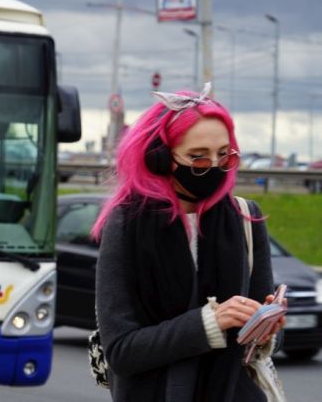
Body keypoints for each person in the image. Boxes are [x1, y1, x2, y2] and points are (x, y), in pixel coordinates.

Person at [91, 83, 285, 401]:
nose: (214, 167)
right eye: (198, 158)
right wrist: (209, 322)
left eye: (224, 155)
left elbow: (258, 352)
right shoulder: (126, 223)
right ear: (161, 158)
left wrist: (264, 329)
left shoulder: (245, 217)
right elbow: (121, 351)